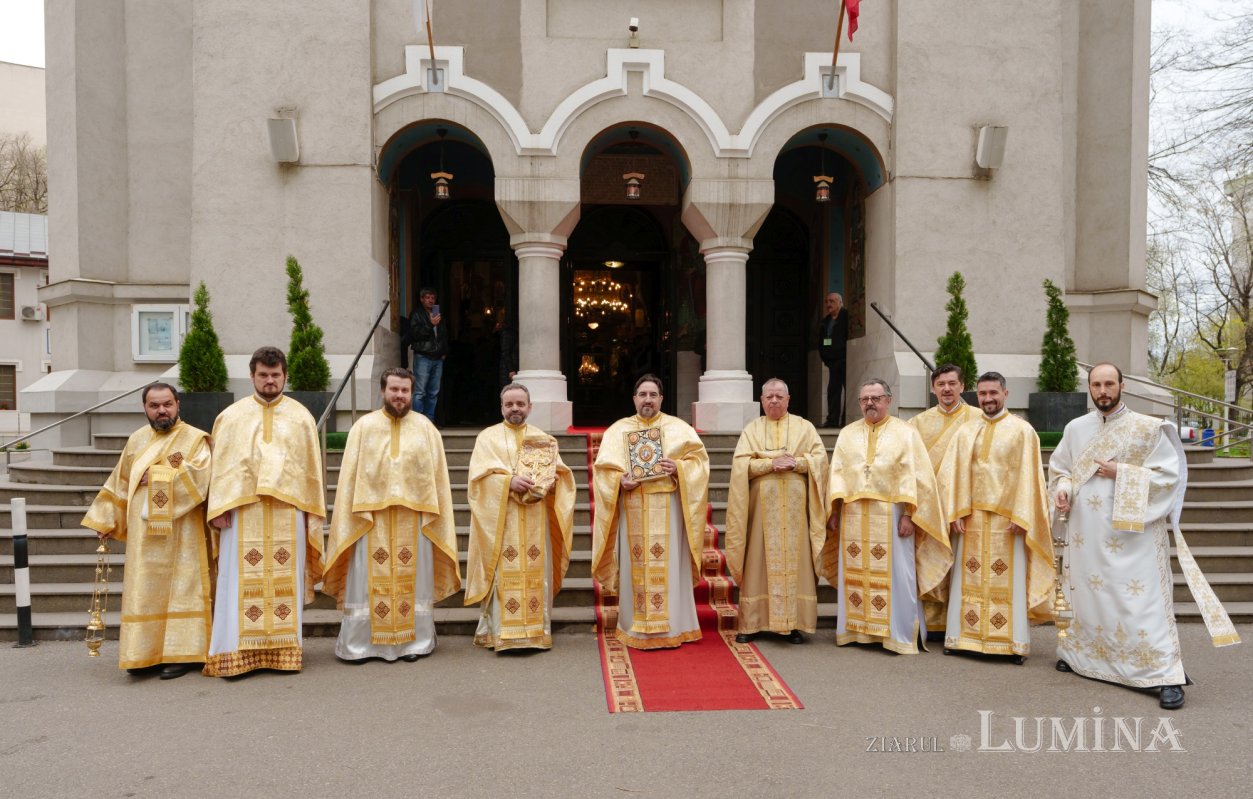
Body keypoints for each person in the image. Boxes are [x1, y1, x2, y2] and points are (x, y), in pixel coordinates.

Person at [1049, 363, 1240, 709]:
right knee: (1090, 596)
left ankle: (1164, 674)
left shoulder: (1148, 429)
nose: (1103, 390)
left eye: (1109, 383)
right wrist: (1063, 488)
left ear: (1122, 385)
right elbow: (1061, 468)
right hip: (1086, 536)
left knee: (1141, 603)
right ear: (1089, 388)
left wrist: (1120, 471)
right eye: (1096, 385)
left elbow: (1168, 478)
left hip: (1131, 537)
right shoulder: (1076, 428)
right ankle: (1083, 658)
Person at [322, 368, 460, 662]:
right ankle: (361, 646)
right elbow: (349, 478)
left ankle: (414, 643)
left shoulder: (426, 428)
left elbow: (438, 479)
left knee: (415, 582)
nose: (399, 396)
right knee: (366, 582)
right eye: (394, 390)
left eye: (405, 391)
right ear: (383, 392)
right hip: (371, 521)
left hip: (415, 519)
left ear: (412, 393)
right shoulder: (364, 427)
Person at [203, 346, 325, 677]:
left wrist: (309, 514)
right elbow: (220, 469)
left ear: (285, 375)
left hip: (288, 513)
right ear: (252, 375)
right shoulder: (231, 417)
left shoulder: (301, 417)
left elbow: (310, 472)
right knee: (237, 582)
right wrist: (217, 508)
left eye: (275, 375)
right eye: (263, 375)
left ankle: (284, 654)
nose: (269, 381)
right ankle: (234, 655)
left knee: (285, 582)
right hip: (242, 513)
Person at [81, 383, 212, 679]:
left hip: (183, 534)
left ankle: (185, 654)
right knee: (146, 590)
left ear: (178, 404)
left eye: (167, 404)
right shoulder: (137, 440)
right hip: (144, 536)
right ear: (145, 408)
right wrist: (106, 519)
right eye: (154, 406)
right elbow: (120, 482)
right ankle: (145, 654)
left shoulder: (194, 440)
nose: (161, 410)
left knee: (182, 589)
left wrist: (156, 477)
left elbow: (200, 479)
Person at [821, 379, 951, 654]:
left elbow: (917, 477)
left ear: (888, 400)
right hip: (853, 515)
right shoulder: (847, 433)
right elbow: (838, 472)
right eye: (865, 399)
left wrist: (908, 515)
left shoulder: (906, 432)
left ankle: (897, 634)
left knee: (899, 575)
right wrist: (834, 511)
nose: (870, 403)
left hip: (892, 515)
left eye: (876, 398)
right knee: (854, 575)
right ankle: (857, 631)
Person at [936, 372, 1054, 664]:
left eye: (993, 393)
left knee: (1007, 580)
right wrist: (954, 513)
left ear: (1005, 393)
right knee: (968, 579)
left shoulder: (1022, 431)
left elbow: (1030, 476)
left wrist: (1022, 515)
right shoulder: (965, 431)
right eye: (983, 394)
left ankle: (1012, 644)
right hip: (971, 519)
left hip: (1008, 522)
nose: (988, 399)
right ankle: (963, 639)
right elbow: (953, 474)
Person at [591, 374, 710, 649]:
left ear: (661, 399)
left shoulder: (680, 428)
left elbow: (699, 464)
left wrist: (678, 468)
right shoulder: (617, 430)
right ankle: (636, 626)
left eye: (653, 395)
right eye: (642, 394)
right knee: (635, 568)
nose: (647, 400)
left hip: (668, 510)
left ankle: (675, 627)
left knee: (670, 568)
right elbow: (603, 470)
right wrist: (619, 480)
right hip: (632, 506)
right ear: (634, 398)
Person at [465, 383, 576, 651]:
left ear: (529, 407)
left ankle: (536, 632)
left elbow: (562, 476)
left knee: (536, 575)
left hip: (536, 520)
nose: (515, 409)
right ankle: (501, 633)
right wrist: (507, 483)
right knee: (504, 576)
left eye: (520, 404)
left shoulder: (545, 440)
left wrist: (551, 482)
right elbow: (477, 480)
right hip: (502, 521)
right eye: (509, 404)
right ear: (501, 407)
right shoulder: (487, 438)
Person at [725, 378, 829, 644]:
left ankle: (792, 625)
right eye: (769, 396)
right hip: (762, 513)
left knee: (797, 565)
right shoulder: (752, 429)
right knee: (758, 563)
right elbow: (741, 466)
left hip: (796, 513)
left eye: (778, 397)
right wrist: (771, 465)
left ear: (788, 399)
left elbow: (820, 460)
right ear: (761, 401)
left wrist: (796, 462)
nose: (773, 401)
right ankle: (752, 624)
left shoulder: (805, 427)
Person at [909, 364, 982, 635]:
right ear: (932, 388)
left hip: (965, 506)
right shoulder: (917, 423)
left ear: (962, 387)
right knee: (928, 559)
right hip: (930, 506)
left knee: (961, 563)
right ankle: (933, 624)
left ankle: (959, 623)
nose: (947, 389)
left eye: (952, 383)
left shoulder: (978, 419)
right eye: (941, 384)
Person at [406, 287, 447, 422]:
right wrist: (430, 324)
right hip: (423, 356)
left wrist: (444, 352)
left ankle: (429, 421)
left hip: (437, 357)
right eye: (427, 297)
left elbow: (443, 335)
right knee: (420, 392)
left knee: (433, 392)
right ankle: (418, 422)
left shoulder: (437, 314)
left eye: (433, 298)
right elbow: (414, 334)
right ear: (421, 299)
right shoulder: (416, 314)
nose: (430, 300)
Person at [818, 292, 849, 428]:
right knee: (833, 392)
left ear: (840, 303)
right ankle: (832, 420)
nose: (828, 304)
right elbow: (821, 341)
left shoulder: (846, 317)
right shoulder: (826, 321)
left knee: (849, 390)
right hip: (832, 362)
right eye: (827, 301)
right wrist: (826, 359)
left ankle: (845, 420)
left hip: (845, 361)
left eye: (832, 301)